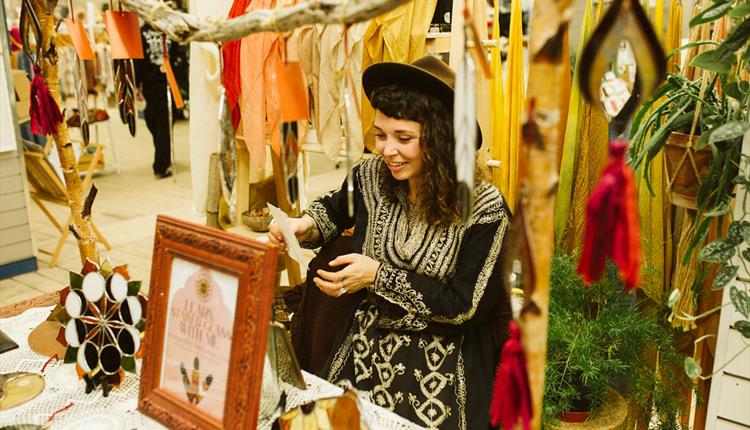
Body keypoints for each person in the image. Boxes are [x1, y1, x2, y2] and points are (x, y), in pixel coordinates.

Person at [269, 56, 512, 429]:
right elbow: (335, 209)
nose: (387, 150)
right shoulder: (373, 175)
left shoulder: (484, 210)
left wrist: (379, 277)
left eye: (404, 138)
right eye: (381, 135)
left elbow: (466, 307)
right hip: (367, 343)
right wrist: (304, 225)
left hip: (444, 360)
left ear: (442, 141)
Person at [134, 22, 174, 178]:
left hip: (168, 84)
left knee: (164, 123)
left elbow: (177, 54)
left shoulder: (169, 29)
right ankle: (163, 158)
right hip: (151, 83)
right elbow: (138, 58)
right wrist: (136, 85)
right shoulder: (141, 32)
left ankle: (161, 164)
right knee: (155, 122)